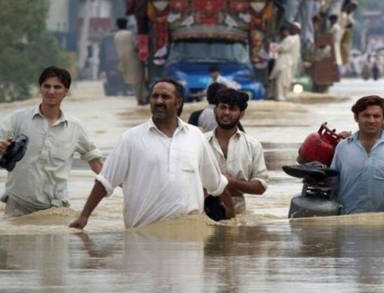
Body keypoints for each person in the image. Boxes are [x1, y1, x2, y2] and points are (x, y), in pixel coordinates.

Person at [69, 80, 234, 229]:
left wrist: (231, 214)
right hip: (143, 236)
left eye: (165, 97)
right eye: (155, 96)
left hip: (188, 239)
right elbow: (105, 182)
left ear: (178, 102)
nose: (159, 101)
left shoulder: (195, 136)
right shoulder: (131, 138)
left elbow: (215, 182)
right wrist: (84, 217)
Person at [0, 67, 103, 216]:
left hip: (55, 212)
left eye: (57, 87)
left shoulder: (75, 127)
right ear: (40, 89)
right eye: (47, 86)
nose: (51, 91)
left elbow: (95, 162)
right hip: (17, 209)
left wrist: (126, 185)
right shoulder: (18, 119)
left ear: (66, 91)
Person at [204, 89, 268, 218]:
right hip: (202, 212)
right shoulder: (200, 142)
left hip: (238, 215)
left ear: (242, 113)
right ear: (215, 110)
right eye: (223, 107)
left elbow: (261, 186)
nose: (226, 113)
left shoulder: (253, 145)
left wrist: (232, 182)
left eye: (232, 109)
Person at [113, 18, 145, 104]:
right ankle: (140, 99)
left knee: (133, 80)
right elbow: (136, 45)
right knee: (139, 79)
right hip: (134, 59)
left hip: (123, 60)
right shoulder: (130, 34)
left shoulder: (116, 36)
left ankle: (138, 98)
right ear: (126, 25)